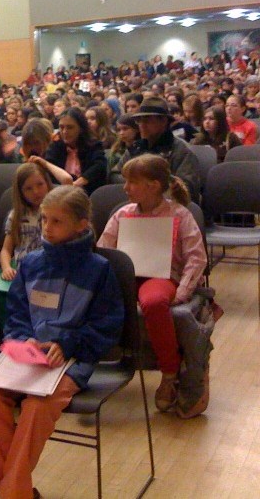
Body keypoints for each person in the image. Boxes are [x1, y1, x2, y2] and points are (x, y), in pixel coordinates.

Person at [0, 186, 124, 499]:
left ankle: (7, 493)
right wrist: (23, 339)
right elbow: (15, 315)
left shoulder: (98, 270)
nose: (46, 227)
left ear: (81, 225)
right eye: (44, 219)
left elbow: (107, 326)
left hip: (71, 360)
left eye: (56, 221)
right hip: (28, 358)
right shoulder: (31, 263)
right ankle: (14, 492)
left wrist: (67, 344)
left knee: (37, 408)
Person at [98, 155, 208, 418]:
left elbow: (196, 256)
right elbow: (104, 250)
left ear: (154, 185)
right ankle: (89, 368)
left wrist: (182, 292)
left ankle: (169, 373)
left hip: (162, 276)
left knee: (154, 302)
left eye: (132, 182)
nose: (125, 188)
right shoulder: (122, 214)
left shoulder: (180, 214)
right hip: (129, 275)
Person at [114, 97, 200, 199]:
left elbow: (187, 188)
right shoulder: (136, 147)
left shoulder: (181, 150)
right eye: (139, 121)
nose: (142, 125)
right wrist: (137, 184)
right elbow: (115, 174)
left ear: (163, 121)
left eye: (147, 121)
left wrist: (151, 186)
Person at [34, 107, 107, 195]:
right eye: (61, 127)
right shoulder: (55, 145)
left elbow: (99, 166)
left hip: (89, 193)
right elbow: (50, 170)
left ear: (81, 128)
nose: (64, 131)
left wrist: (76, 183)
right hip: (60, 194)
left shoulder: (94, 145)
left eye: (70, 127)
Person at [0, 163, 52, 281]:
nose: (36, 191)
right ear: (21, 192)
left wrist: (45, 163)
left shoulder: (55, 212)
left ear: (47, 183)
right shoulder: (16, 216)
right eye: (28, 188)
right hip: (24, 272)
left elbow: (67, 180)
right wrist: (6, 268)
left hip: (49, 272)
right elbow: (6, 250)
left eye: (40, 184)